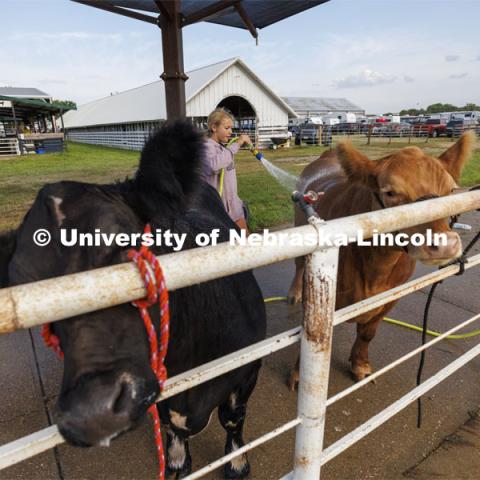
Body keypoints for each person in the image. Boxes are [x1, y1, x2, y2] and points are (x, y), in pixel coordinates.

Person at [202, 108, 252, 231]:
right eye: (226, 128)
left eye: (231, 128)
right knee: (225, 247)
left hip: (234, 208)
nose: (230, 132)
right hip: (218, 211)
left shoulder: (223, 148)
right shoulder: (205, 147)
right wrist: (238, 143)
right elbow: (214, 165)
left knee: (245, 243)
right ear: (214, 127)